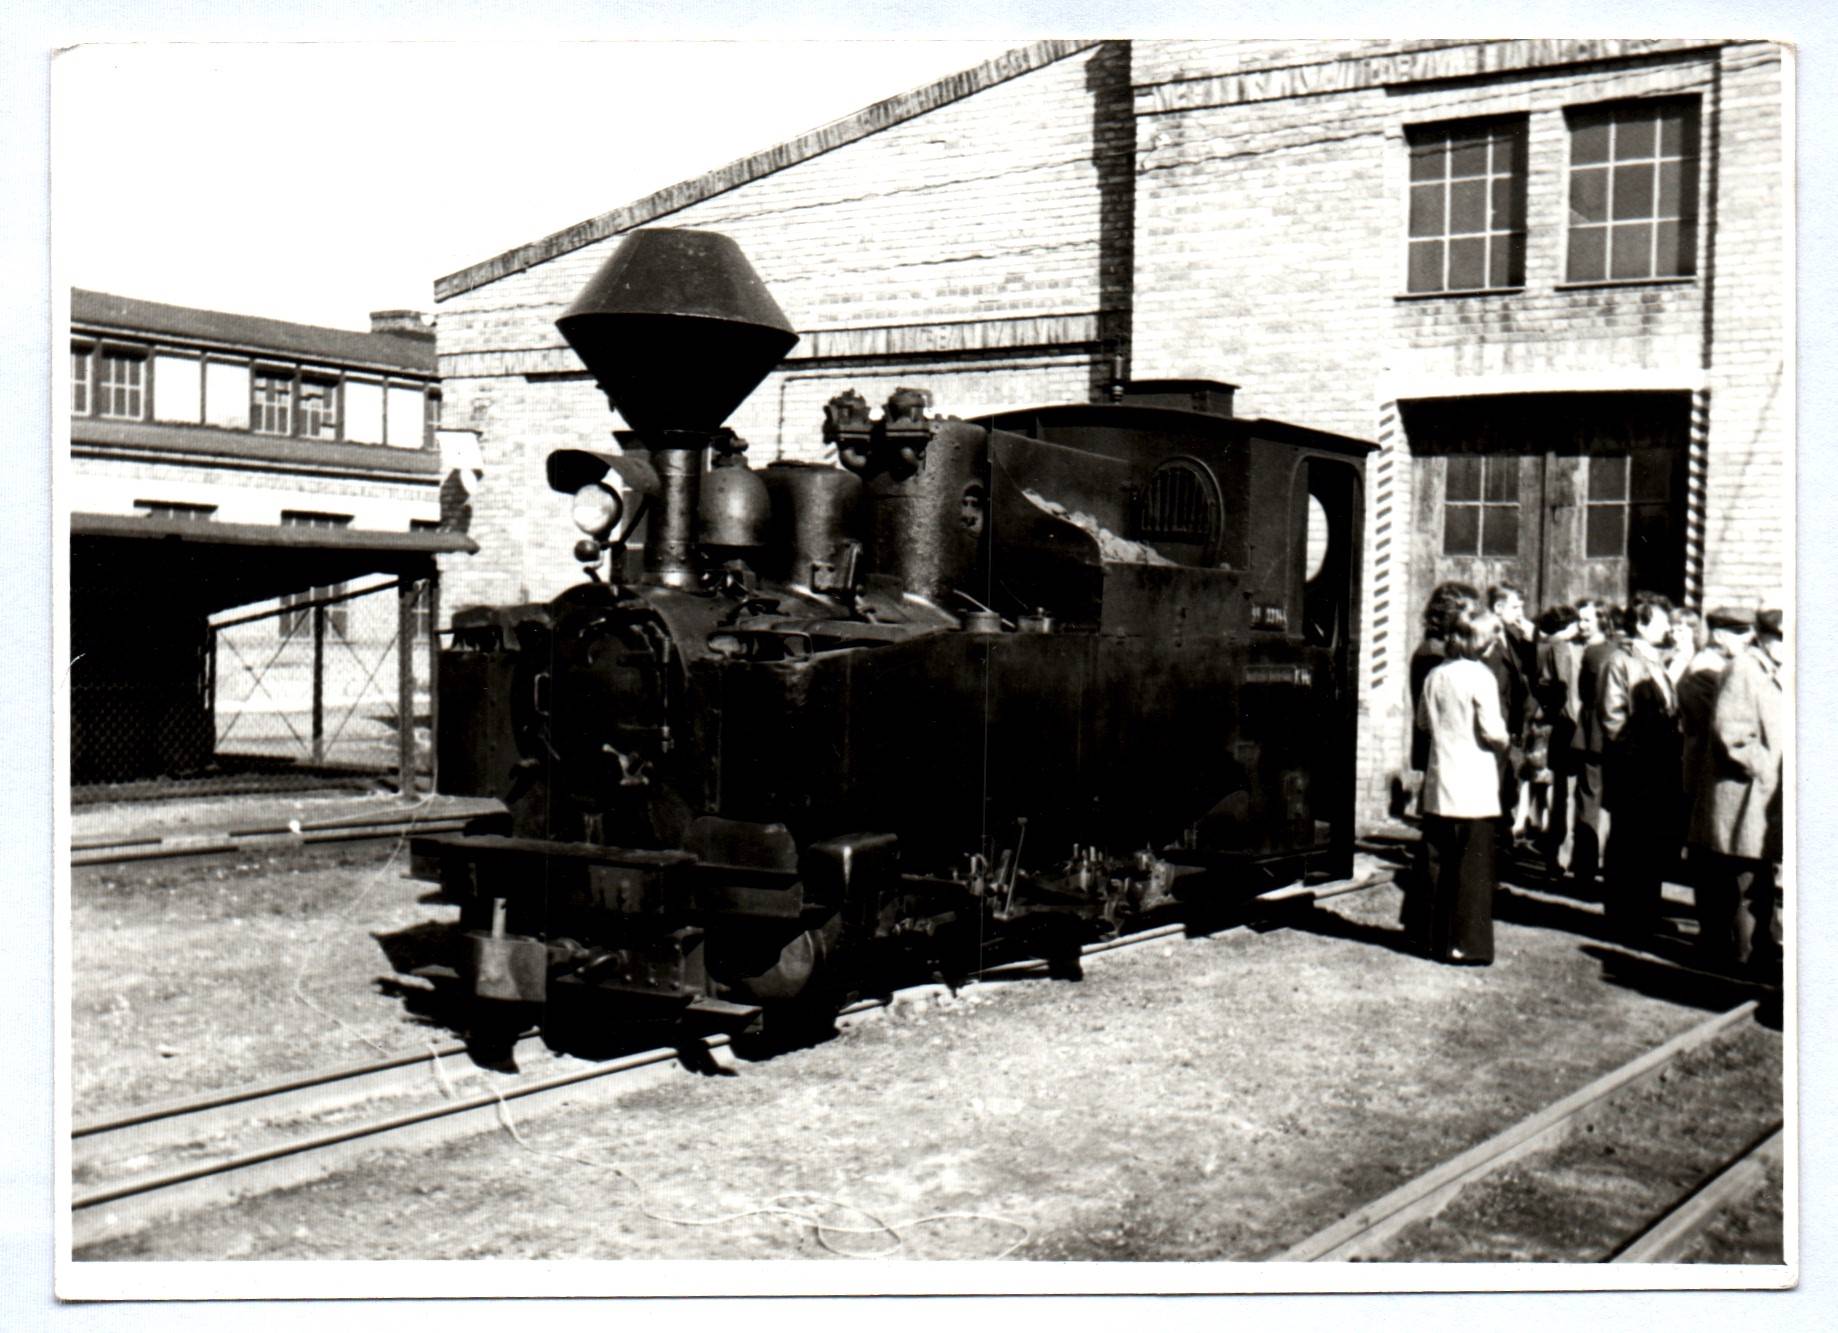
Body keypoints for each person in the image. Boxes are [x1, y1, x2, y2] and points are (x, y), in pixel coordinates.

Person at [1416, 603, 1514, 965]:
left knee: (1437, 864)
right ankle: (1467, 945)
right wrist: (1506, 743)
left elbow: (1423, 723)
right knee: (1472, 869)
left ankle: (1431, 939)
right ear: (1481, 642)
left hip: (1441, 782)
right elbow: (1492, 730)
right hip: (1473, 785)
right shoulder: (1481, 677)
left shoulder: (1435, 675)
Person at [1692, 608, 1785, 977]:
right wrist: (1764, 766)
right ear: (1761, 636)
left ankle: (1756, 951)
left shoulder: (1772, 671)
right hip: (1741, 794)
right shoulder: (1744, 671)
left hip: (1760, 795)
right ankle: (1741, 957)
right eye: (1779, 638)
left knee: (1757, 876)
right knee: (1742, 877)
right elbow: (1731, 735)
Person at [1598, 593, 1682, 937]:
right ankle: (1623, 917)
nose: (1670, 628)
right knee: (1628, 841)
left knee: (1650, 842)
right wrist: (1634, 759)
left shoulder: (1656, 661)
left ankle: (1646, 911)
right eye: (1663, 621)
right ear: (1643, 624)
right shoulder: (1620, 661)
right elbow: (1613, 718)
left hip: (1657, 767)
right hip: (1634, 769)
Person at [1568, 599, 1617, 892]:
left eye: (1587, 620)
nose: (1581, 625)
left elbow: (1584, 694)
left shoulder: (1593, 653)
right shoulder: (1619, 650)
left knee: (1588, 801)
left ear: (1601, 621)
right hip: (1614, 736)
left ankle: (1584, 870)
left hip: (1593, 734)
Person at [1531, 604, 1582, 875]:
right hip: (1562, 726)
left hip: (1544, 723)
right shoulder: (1561, 648)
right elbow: (1564, 686)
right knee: (1565, 793)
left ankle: (1551, 852)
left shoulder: (1540, 645)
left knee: (1550, 791)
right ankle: (1560, 855)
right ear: (1567, 625)